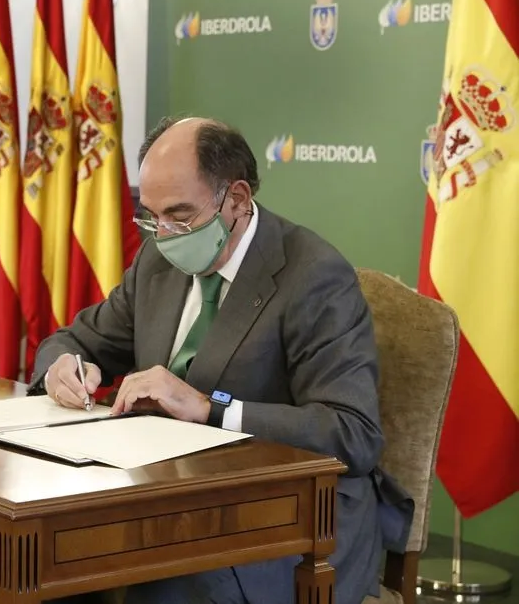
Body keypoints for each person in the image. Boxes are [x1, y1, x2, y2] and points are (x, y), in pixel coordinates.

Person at [30, 117, 413, 604]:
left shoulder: (314, 277)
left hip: (291, 520)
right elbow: (72, 341)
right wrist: (62, 367)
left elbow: (352, 433)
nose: (164, 234)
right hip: (169, 495)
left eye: (180, 217)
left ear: (236, 199)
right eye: (151, 217)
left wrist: (212, 408)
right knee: (53, 552)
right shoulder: (157, 261)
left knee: (161, 579)